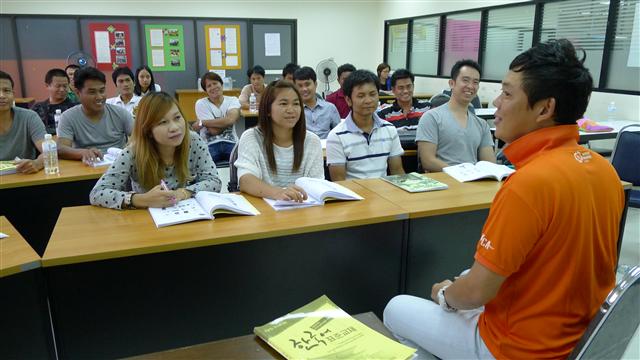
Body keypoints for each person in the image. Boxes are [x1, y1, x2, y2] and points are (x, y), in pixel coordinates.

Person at [384, 39, 625, 360]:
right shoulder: (604, 170)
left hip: (517, 347)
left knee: (396, 307)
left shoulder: (528, 183)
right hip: (579, 341)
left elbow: (476, 292)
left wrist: (444, 295)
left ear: (544, 109)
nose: (496, 102)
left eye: (508, 93)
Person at [90, 92, 221, 209]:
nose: (175, 128)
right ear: (148, 130)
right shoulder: (133, 152)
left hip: (182, 214)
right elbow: (97, 193)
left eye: (177, 118)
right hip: (146, 220)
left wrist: (182, 193)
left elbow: (214, 181)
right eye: (163, 122)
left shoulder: (192, 140)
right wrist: (141, 199)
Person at [235, 80, 324, 201]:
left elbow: (316, 185)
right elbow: (245, 180)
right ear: (267, 110)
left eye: (296, 104)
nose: (291, 109)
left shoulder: (311, 141)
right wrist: (277, 193)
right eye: (283, 104)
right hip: (264, 211)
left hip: (303, 209)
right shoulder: (251, 137)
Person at [416, 59, 495, 172]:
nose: (470, 86)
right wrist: (461, 173)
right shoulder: (431, 117)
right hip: (443, 183)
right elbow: (428, 161)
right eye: (465, 80)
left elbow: (489, 164)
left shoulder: (482, 125)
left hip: (473, 183)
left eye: (475, 82)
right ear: (451, 83)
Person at [326, 70, 404, 180]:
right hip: (354, 195)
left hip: (384, 193)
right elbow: (339, 182)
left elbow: (397, 172)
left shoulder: (389, 129)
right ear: (348, 100)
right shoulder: (336, 136)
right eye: (361, 96)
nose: (368, 101)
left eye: (372, 94)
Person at [57, 67, 134, 164]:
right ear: (78, 93)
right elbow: (61, 149)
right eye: (92, 92)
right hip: (85, 169)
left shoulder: (120, 113)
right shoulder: (68, 117)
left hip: (119, 168)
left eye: (102, 91)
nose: (99, 97)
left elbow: (140, 137)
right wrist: (82, 153)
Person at [0, 71, 47, 174]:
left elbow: (48, 151)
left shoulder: (29, 117)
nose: (2, 95)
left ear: (13, 94)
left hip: (25, 177)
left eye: (6, 90)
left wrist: (37, 163)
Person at [191, 72, 241, 164]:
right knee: (203, 167)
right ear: (206, 90)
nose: (213, 87)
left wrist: (202, 122)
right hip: (209, 144)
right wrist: (226, 121)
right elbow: (213, 131)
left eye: (215, 83)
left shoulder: (233, 100)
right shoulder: (201, 103)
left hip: (231, 142)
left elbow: (231, 120)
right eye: (209, 86)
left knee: (243, 164)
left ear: (221, 84)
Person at [293, 66, 340, 139]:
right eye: (300, 86)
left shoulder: (329, 108)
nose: (304, 89)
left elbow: (339, 133)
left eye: (307, 84)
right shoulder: (293, 110)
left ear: (315, 84)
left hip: (326, 148)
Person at [31, 68, 78, 134]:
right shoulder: (38, 108)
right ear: (47, 86)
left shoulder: (75, 108)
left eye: (65, 86)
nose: (62, 89)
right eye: (58, 86)